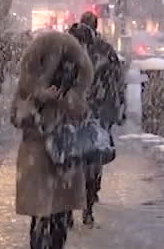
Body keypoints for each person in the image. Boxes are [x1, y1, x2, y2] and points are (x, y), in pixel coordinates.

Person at [11, 31, 92, 249]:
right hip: (38, 158)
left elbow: (84, 117)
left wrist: (68, 103)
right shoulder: (29, 87)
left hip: (65, 158)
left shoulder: (76, 87)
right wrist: (38, 99)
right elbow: (18, 117)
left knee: (59, 220)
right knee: (41, 218)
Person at [69, 11, 126, 227]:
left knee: (71, 160)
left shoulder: (68, 50)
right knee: (94, 159)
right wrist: (117, 108)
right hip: (97, 113)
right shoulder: (104, 51)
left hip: (75, 114)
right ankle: (89, 201)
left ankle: (74, 204)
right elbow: (117, 81)